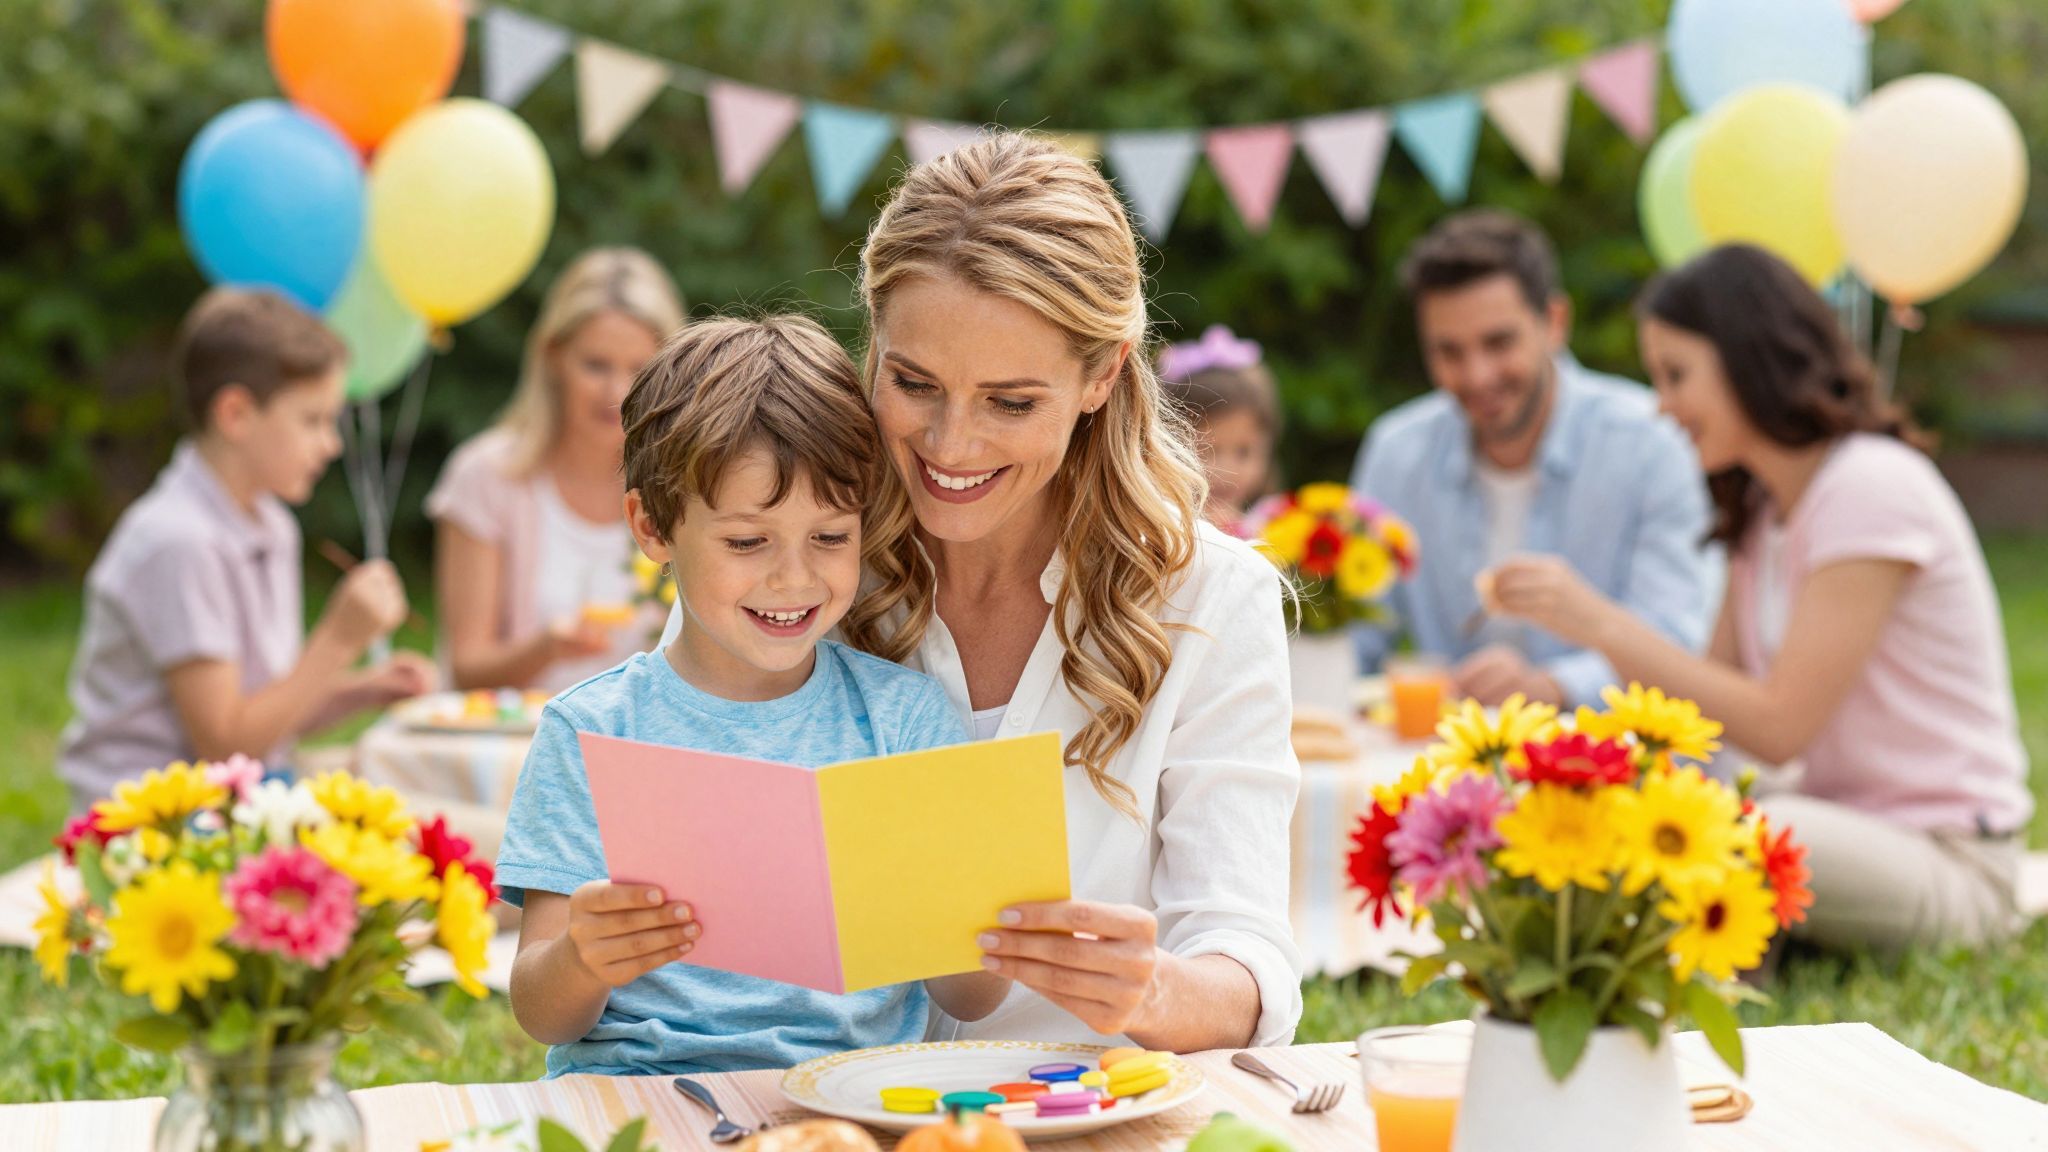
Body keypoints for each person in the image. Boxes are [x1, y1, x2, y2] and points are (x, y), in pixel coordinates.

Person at [664, 133, 1303, 1050]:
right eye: (915, 383)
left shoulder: (1211, 599)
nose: (950, 445)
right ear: (874, 344)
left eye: (1010, 402)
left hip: (1086, 1117)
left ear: (1101, 376)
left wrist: (1152, 993)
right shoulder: (784, 570)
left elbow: (1246, 961)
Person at [1490, 244, 2033, 952]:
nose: (1663, 405)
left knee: (1740, 836)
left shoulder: (1870, 487)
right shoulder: (1762, 511)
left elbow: (1779, 726)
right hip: (1836, 826)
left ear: (1747, 359)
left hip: (1950, 858)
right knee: (1663, 824)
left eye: (1677, 375)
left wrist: (1597, 623)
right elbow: (1702, 716)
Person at [499, 315, 995, 1076]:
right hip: (641, 1091)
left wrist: (986, 927)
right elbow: (539, 1010)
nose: (793, 579)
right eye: (746, 542)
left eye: (830, 538)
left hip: (841, 1102)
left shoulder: (903, 720)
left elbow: (971, 997)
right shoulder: (593, 730)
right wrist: (583, 958)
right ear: (653, 526)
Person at [57, 288, 434, 810]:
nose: (332, 444)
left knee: (420, 807)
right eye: (313, 420)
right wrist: (338, 639)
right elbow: (225, 745)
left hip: (242, 796)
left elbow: (265, 713)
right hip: (153, 826)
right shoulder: (178, 541)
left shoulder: (271, 524)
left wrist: (363, 689)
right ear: (236, 414)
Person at [1349, 210, 1713, 708]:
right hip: (1436, 764)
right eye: (1449, 352)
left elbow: (1678, 635)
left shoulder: (1652, 441)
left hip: (1613, 762)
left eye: (1499, 343)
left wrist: (1552, 687)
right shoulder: (1396, 451)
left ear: (1555, 322)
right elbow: (1356, 635)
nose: (1477, 375)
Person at [428, 248, 685, 694]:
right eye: (595, 365)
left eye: (638, 370)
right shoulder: (487, 477)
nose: (617, 391)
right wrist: (547, 648)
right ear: (552, 357)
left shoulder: (687, 484)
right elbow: (465, 670)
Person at [1158, 325, 1280, 533]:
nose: (1227, 469)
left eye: (1244, 452)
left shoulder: (1272, 526)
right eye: (1208, 450)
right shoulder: (1164, 526)